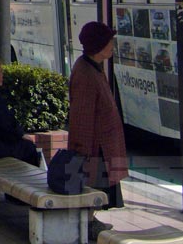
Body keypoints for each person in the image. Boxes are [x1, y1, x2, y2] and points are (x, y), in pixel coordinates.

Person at [68, 21, 128, 240]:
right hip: (94, 145)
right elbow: (81, 116)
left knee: (97, 186)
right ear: (98, 45)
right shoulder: (86, 72)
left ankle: (90, 221)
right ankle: (88, 223)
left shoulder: (93, 66)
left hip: (101, 142)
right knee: (92, 185)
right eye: (109, 42)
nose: (112, 45)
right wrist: (82, 151)